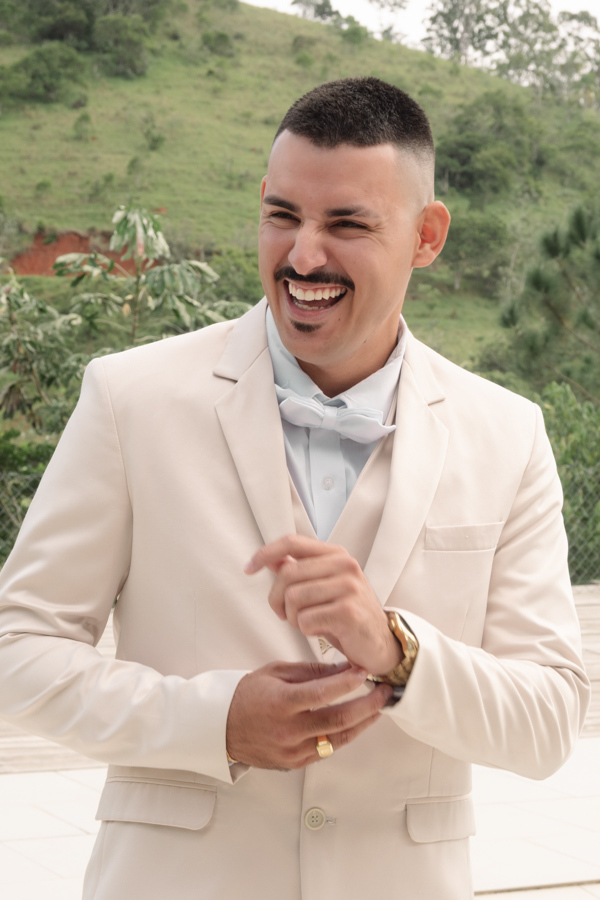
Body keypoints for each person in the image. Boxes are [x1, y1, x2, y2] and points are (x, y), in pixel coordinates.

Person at [0, 78, 590, 900]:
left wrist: (396, 649)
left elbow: (548, 720)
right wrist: (215, 722)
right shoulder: (130, 397)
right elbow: (17, 648)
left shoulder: (508, 431)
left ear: (427, 235)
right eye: (283, 216)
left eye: (346, 223)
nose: (303, 255)